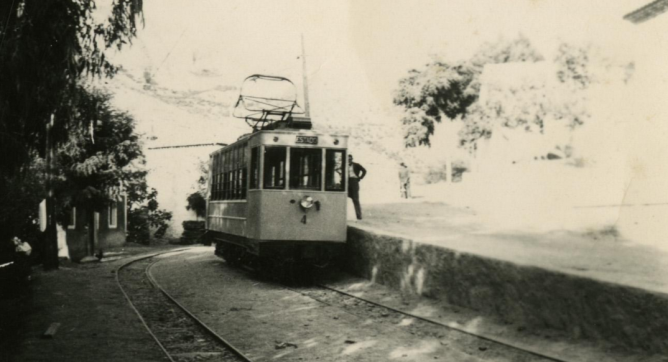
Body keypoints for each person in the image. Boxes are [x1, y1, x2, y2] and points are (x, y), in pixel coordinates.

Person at [347, 154, 366, 220]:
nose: (349, 160)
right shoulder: (344, 165)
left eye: (350, 159)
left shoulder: (356, 165)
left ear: (352, 159)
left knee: (355, 198)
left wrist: (360, 178)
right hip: (347, 182)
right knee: (347, 198)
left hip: (354, 181)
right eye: (348, 159)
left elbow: (364, 170)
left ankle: (358, 215)